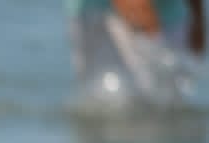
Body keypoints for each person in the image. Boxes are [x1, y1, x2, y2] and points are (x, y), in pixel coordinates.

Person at [65, 0, 206, 105]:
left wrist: (198, 19)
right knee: (100, 96)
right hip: (93, 9)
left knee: (166, 97)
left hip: (168, 13)